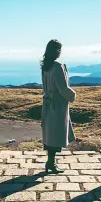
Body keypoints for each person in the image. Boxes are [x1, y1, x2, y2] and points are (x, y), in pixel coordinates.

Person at [40, 38, 76, 174]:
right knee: (56, 134)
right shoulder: (58, 67)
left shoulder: (45, 66)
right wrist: (72, 96)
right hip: (58, 104)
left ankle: (50, 161)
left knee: (50, 133)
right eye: (59, 49)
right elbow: (63, 88)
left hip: (48, 103)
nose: (60, 52)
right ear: (56, 51)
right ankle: (51, 163)